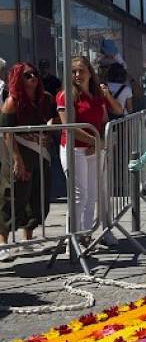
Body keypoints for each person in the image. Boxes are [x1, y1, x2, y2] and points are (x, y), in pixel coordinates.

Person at [0, 63, 57, 261]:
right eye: (27, 75)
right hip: (17, 153)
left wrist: (50, 126)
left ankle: (27, 239)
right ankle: (2, 243)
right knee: (13, 195)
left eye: (35, 74)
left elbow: (55, 118)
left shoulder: (46, 98)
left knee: (37, 195)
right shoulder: (12, 102)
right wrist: (17, 160)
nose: (33, 77)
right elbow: (7, 134)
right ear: (18, 78)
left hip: (40, 154)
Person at [57, 56, 108, 243]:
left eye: (81, 70)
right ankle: (73, 238)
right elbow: (69, 126)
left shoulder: (96, 95)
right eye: (73, 71)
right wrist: (95, 141)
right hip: (74, 149)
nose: (77, 75)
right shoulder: (65, 95)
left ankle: (86, 234)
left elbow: (103, 121)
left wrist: (98, 141)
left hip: (93, 150)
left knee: (92, 195)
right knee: (79, 195)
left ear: (89, 72)